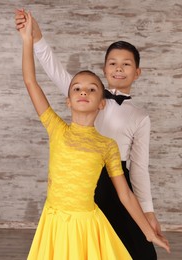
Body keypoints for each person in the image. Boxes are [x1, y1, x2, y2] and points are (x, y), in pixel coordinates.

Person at [15, 9, 169, 260]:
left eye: (126, 64)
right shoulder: (82, 100)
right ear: (70, 98)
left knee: (135, 251)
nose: (119, 69)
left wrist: (148, 213)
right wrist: (33, 38)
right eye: (113, 63)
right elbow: (39, 77)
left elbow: (138, 170)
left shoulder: (135, 119)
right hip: (72, 198)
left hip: (113, 175)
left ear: (137, 72)